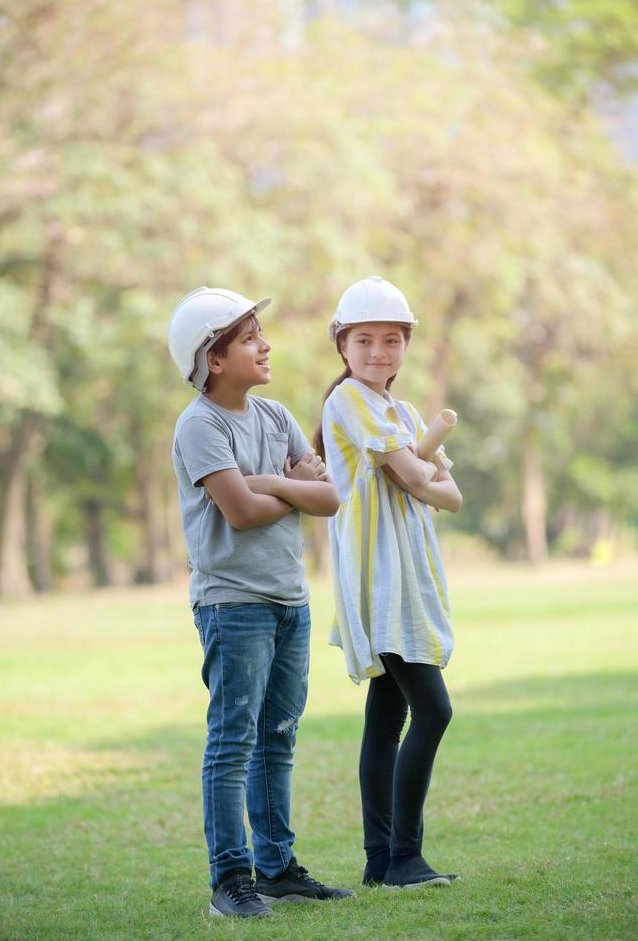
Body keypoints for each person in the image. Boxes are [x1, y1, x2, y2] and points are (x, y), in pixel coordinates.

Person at [168, 286, 355, 918]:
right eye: (249, 338)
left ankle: (275, 868)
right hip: (233, 605)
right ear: (213, 359)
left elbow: (330, 499)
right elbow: (241, 514)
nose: (265, 345)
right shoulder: (200, 425)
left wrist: (273, 479)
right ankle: (230, 880)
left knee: (278, 736)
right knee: (233, 742)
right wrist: (292, 487)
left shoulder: (275, 418)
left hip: (288, 600)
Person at [313, 275, 463, 890]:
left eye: (393, 340)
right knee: (434, 709)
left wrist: (419, 470)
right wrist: (419, 469)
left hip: (411, 572)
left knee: (388, 715)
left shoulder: (402, 411)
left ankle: (380, 863)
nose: (379, 351)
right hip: (378, 577)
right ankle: (404, 857)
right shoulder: (348, 399)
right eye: (366, 339)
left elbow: (448, 496)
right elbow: (410, 476)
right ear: (342, 346)